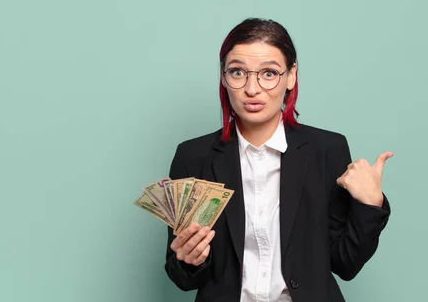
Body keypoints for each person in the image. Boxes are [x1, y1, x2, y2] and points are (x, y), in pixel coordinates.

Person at [164, 17, 393, 302]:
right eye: (237, 72)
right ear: (223, 77)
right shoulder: (193, 156)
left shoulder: (328, 149)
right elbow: (181, 276)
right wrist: (188, 260)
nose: (252, 88)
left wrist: (370, 205)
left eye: (269, 73)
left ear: (291, 76)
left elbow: (344, 264)